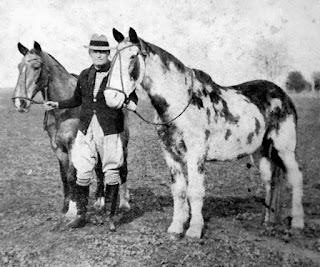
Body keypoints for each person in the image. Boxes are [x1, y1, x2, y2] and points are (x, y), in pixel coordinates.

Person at [44, 34, 137, 228]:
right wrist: (57, 103)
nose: (100, 55)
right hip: (86, 128)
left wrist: (131, 103)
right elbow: (77, 99)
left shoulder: (117, 72)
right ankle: (81, 215)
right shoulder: (85, 74)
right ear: (90, 53)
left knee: (111, 171)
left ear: (108, 53)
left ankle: (111, 218)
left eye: (103, 52)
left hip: (110, 128)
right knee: (82, 172)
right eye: (96, 51)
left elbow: (132, 96)